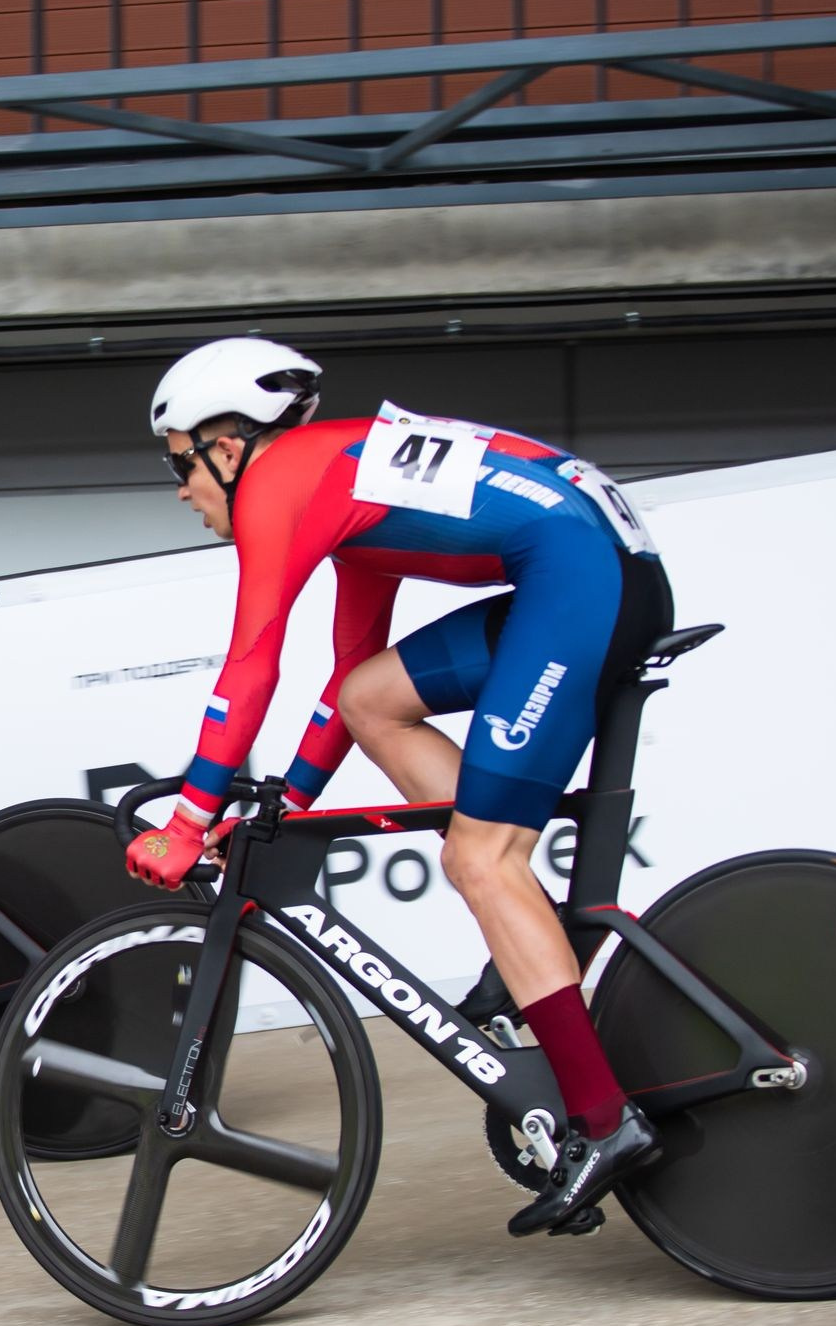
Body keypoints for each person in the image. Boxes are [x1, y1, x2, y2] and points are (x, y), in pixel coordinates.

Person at [124, 339, 674, 1236]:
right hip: (588, 566)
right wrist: (285, 809)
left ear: (228, 446)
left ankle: (605, 1123)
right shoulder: (336, 480)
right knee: (377, 697)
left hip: (583, 578)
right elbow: (347, 683)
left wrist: (188, 820)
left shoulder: (278, 486)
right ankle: (531, 917)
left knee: (479, 858)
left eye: (179, 462)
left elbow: (250, 664)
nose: (179, 489)